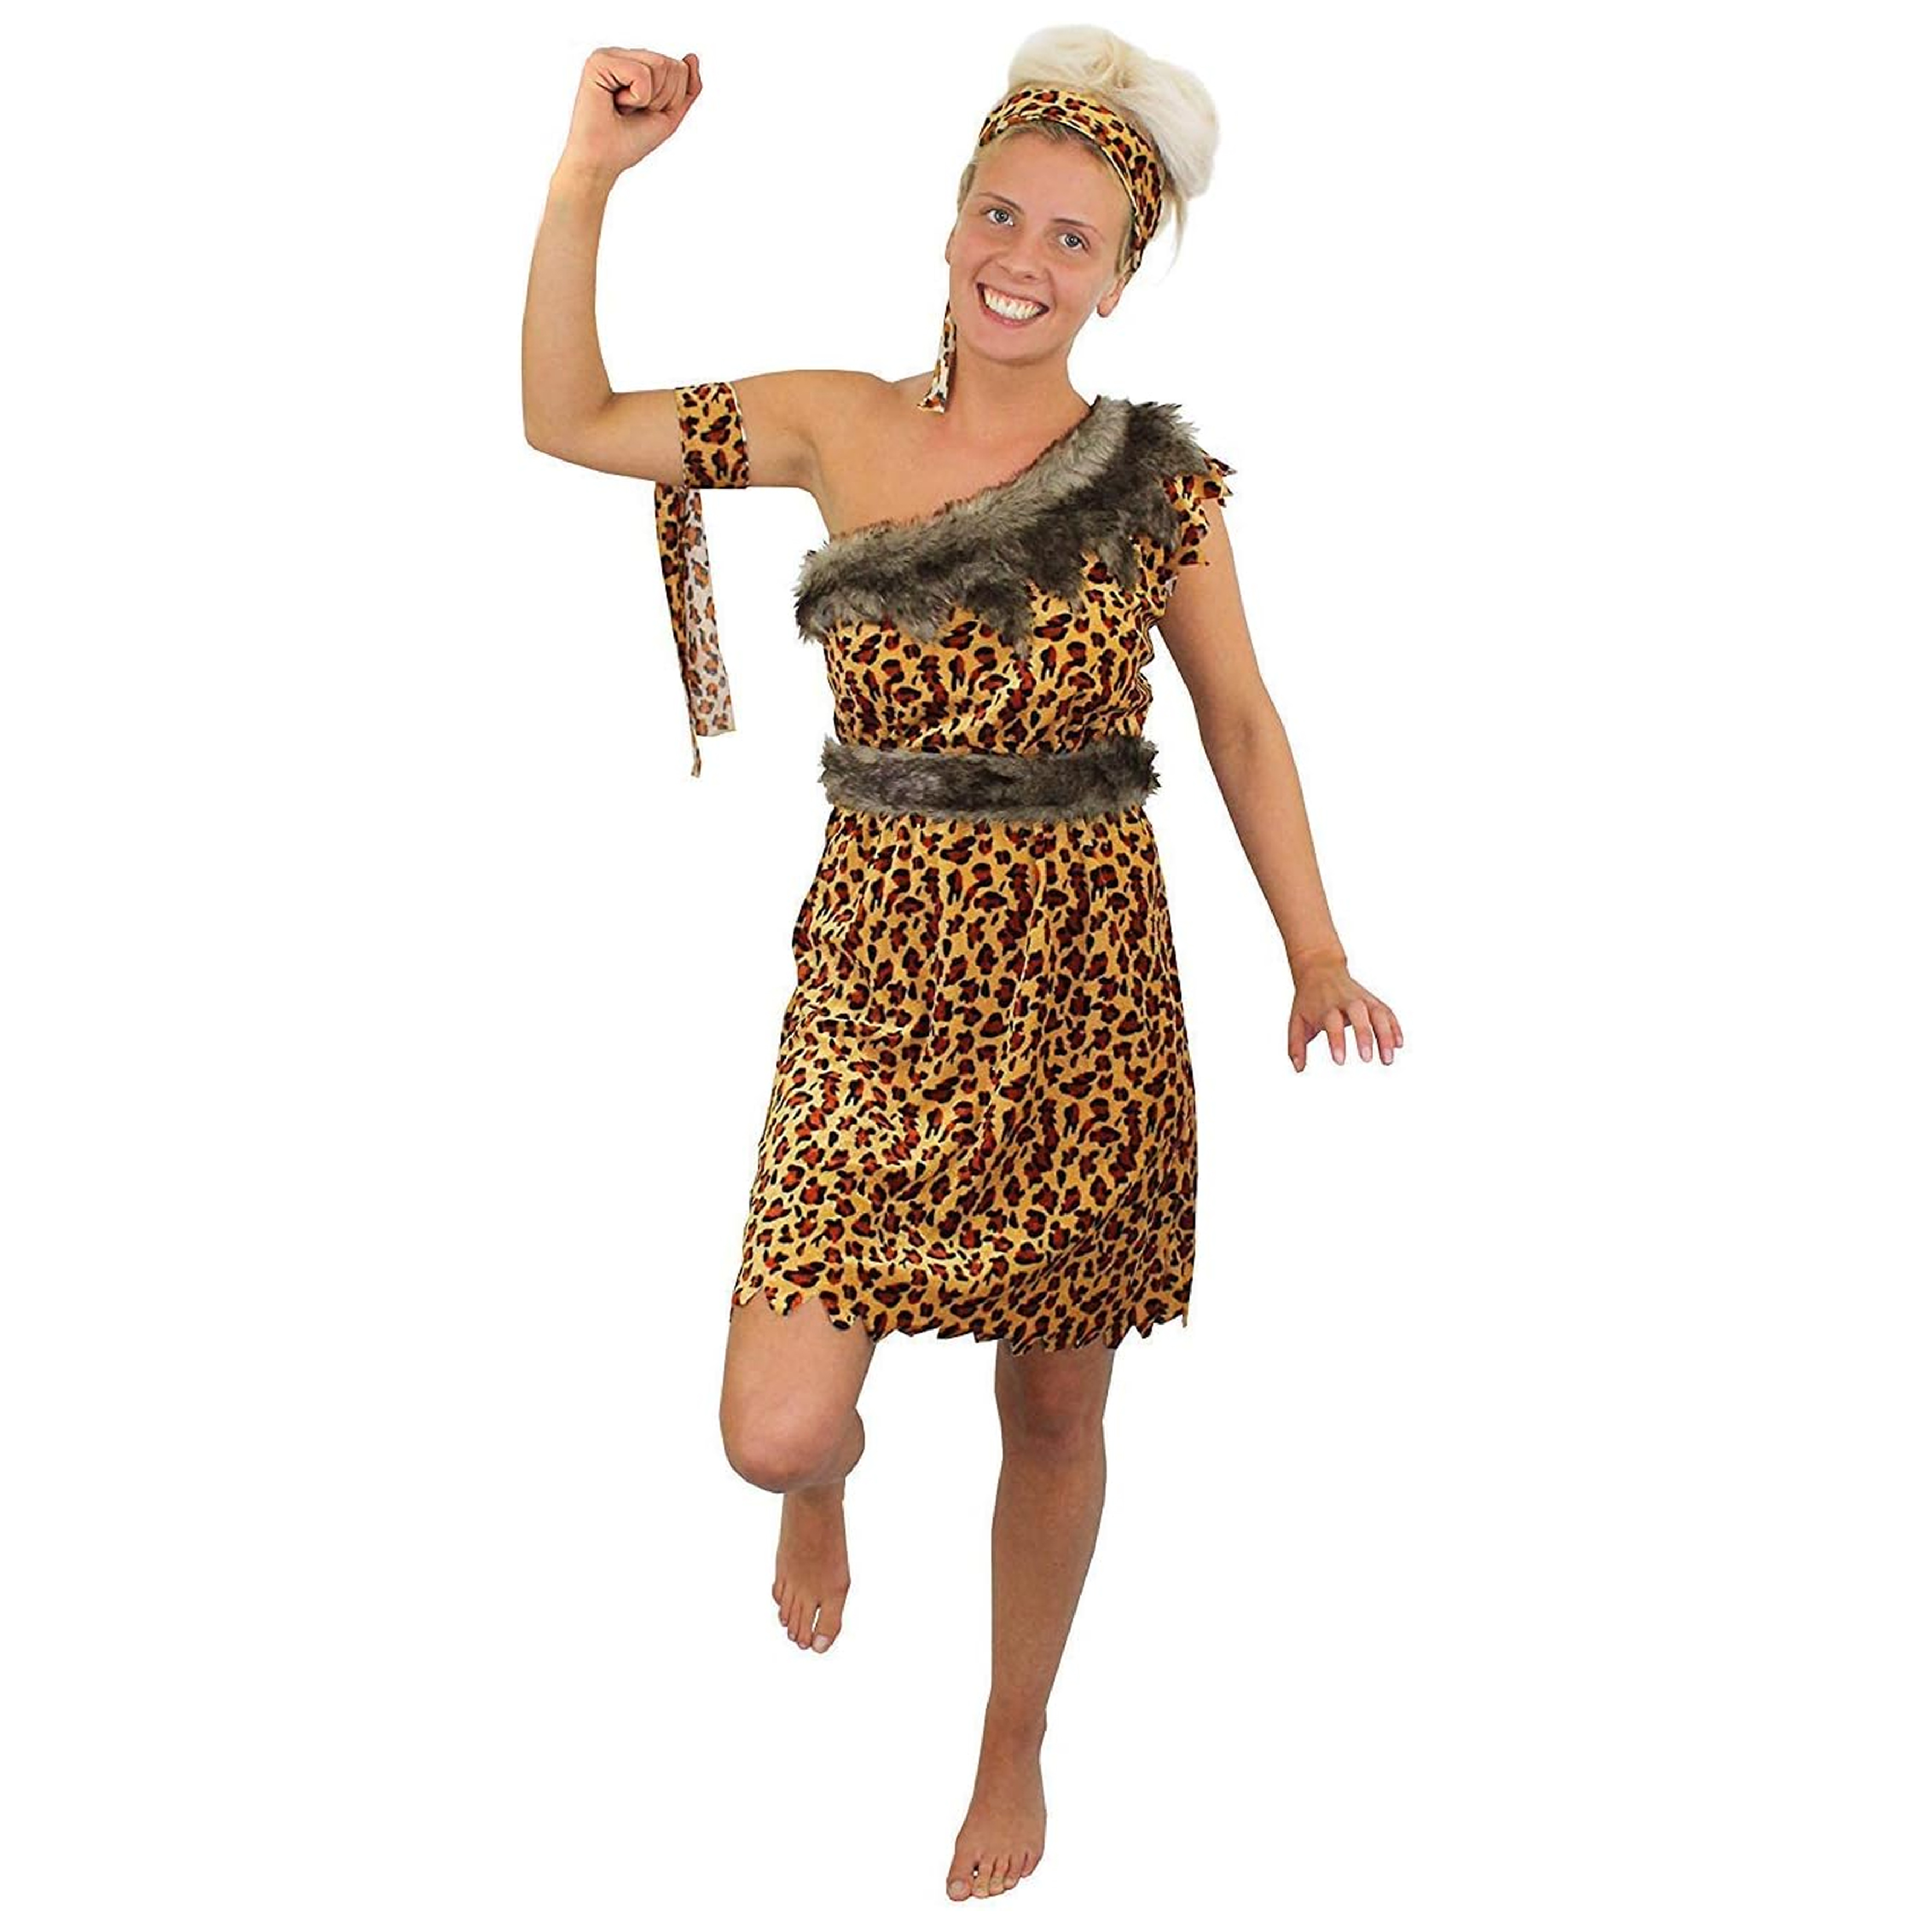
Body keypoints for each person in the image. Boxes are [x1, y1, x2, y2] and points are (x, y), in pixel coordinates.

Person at [523, 26, 1405, 1902]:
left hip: (1088, 991)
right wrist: (590, 175)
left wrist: (1317, 951)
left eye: (1074, 238)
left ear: (1120, 277)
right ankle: (826, 1487)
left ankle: (1015, 1734)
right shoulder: (833, 424)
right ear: (950, 223)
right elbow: (569, 418)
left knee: (1056, 1407)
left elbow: (1242, 721)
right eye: (1002, 214)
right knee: (771, 1430)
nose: (1025, 257)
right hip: (880, 981)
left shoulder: (1154, 484)